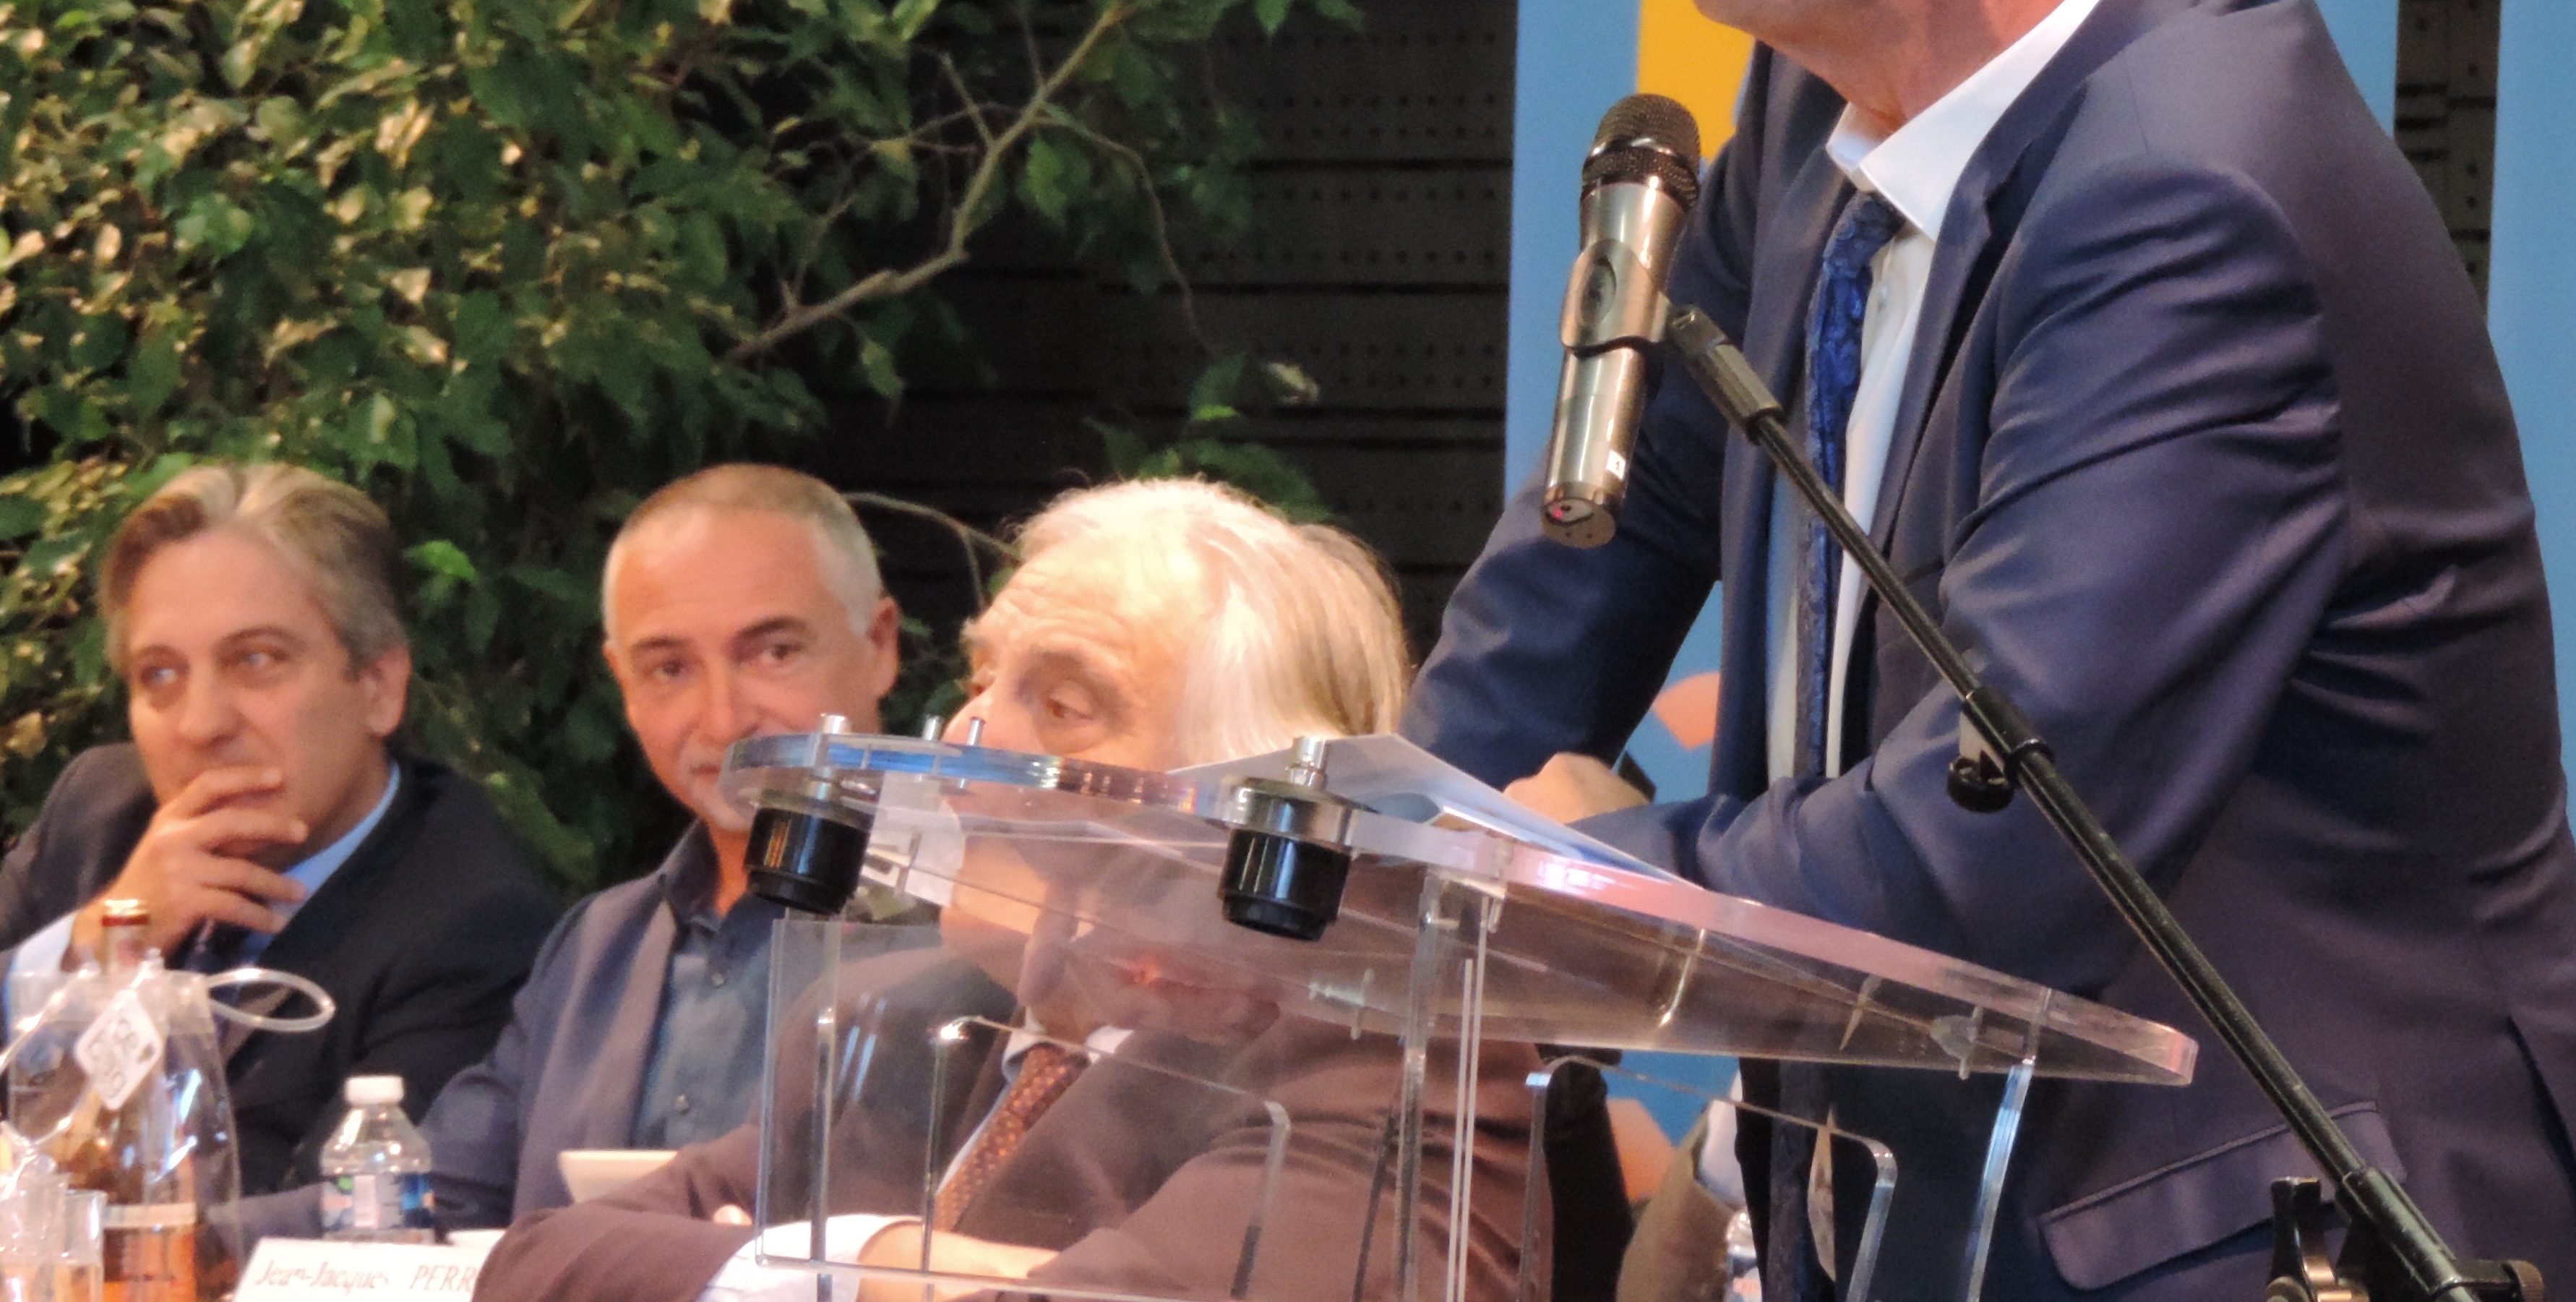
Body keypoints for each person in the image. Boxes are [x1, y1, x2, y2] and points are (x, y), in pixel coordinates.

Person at [1404, 0, 2576, 1302]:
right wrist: (1356, 849)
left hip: (2262, 1252)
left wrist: (1574, 882)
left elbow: (1986, 839)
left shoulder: (2200, 190)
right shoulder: (1811, 119)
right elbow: (1603, 546)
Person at [476, 478, 1548, 1302]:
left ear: (1252, 809)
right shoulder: (887, 1020)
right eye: (982, 680)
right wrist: (873, 1264)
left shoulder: (1389, 1062)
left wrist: (785, 1267)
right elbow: (534, 1265)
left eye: (1064, 707)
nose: (964, 746)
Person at [212, 466, 903, 1253]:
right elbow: (433, 1198)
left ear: (880, 646)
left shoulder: (962, 936)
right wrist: (182, 1242)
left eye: (774, 652)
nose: (724, 718)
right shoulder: (597, 947)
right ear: (624, 686)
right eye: (670, 668)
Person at [0, 465, 559, 1193]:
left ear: (379, 686)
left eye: (255, 661)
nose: (202, 725)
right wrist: (96, 944)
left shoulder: (471, 923)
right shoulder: (99, 813)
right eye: (160, 675)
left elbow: (344, 1218)